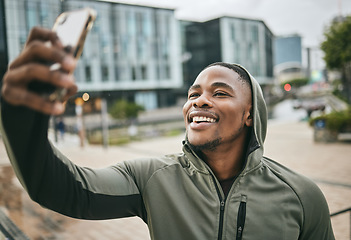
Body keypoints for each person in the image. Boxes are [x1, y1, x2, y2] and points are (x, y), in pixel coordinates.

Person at [0, 27, 335, 240]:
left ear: (250, 115)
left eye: (219, 93)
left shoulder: (303, 197)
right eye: (193, 94)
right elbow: (59, 188)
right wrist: (19, 116)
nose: (200, 100)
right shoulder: (150, 177)